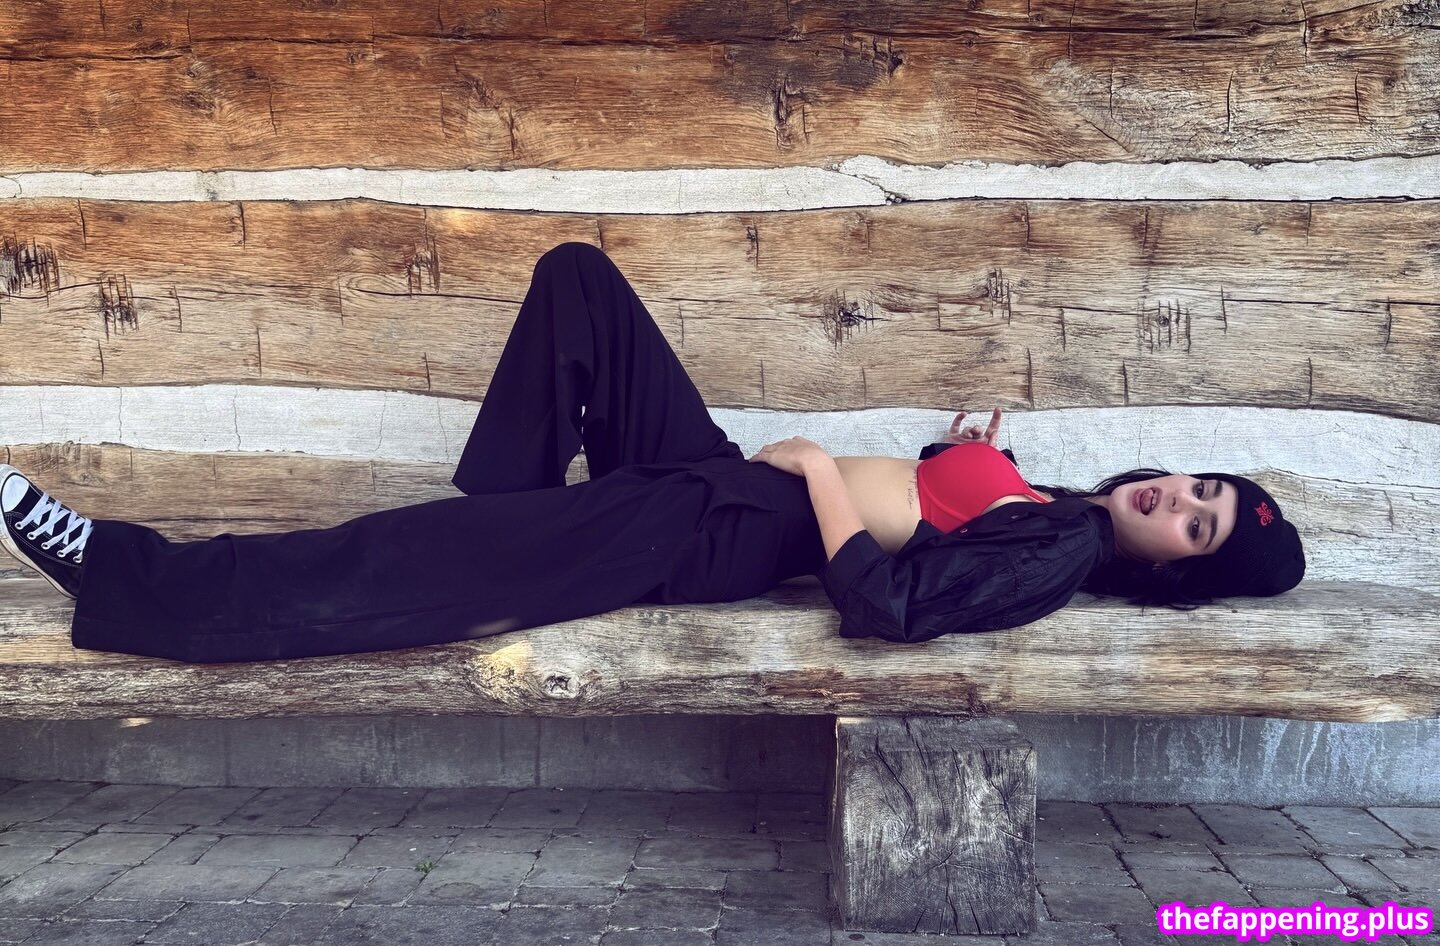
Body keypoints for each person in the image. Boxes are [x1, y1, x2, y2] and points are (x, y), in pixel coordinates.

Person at [0, 243, 1306, 662]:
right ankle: (504, 527)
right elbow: (932, 513)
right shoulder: (1057, 505)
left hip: (727, 528)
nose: (1175, 497)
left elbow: (893, 605)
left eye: (1194, 524)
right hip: (720, 479)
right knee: (579, 282)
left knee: (393, 561)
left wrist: (820, 478)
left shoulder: (1062, 552)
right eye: (1199, 485)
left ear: (1173, 571)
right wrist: (952, 457)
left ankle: (118, 572)